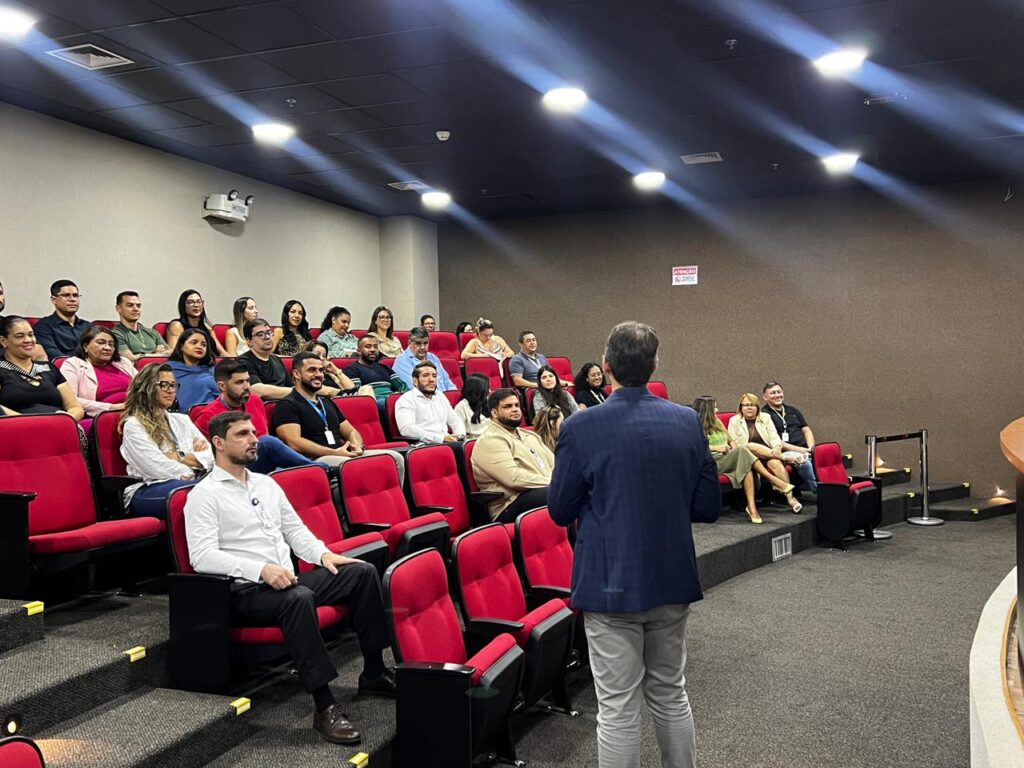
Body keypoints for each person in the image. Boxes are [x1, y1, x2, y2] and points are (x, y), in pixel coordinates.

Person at [549, 321, 721, 768]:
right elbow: (707, 506)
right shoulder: (687, 421)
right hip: (671, 577)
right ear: (655, 366)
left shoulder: (581, 426)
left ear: (606, 367)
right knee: (670, 693)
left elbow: (560, 509)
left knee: (619, 711)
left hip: (609, 584)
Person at [184, 411, 395, 744]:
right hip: (244, 592)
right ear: (218, 443)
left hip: (287, 581)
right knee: (299, 599)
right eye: (242, 434)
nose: (254, 439)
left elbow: (295, 531)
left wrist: (323, 555)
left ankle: (373, 671)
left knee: (361, 572)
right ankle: (324, 705)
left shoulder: (266, 483)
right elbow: (202, 557)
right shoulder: (203, 495)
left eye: (254, 432)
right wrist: (260, 570)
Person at [271, 352, 405, 483]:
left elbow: (350, 431)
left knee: (395, 458)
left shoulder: (327, 402)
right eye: (312, 370)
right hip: (316, 460)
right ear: (296, 374)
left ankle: (391, 503)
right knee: (355, 466)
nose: (318, 375)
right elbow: (294, 443)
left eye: (321, 370)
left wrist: (357, 446)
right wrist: (334, 452)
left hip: (343, 454)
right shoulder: (287, 405)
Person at [193, 359, 325, 474]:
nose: (247, 387)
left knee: (290, 473)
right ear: (222, 386)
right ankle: (321, 469)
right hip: (238, 467)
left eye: (248, 381)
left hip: (263, 461)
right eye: (239, 382)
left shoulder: (255, 401)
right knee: (267, 442)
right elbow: (208, 457)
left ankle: (317, 471)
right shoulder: (207, 416)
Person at [119, 363, 212, 518]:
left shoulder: (182, 420)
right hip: (148, 487)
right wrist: (196, 467)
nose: (170, 390)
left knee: (228, 483)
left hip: (189, 482)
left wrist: (180, 456)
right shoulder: (133, 425)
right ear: (146, 387)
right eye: (163, 385)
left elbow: (212, 456)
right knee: (204, 491)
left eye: (173, 385)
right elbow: (156, 467)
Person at [692, 395, 795, 525]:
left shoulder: (716, 421)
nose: (717, 409)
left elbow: (731, 440)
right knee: (744, 453)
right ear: (706, 409)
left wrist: (733, 449)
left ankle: (752, 507)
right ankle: (774, 480)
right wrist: (717, 447)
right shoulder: (694, 425)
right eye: (715, 407)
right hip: (711, 461)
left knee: (745, 462)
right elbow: (694, 446)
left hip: (727, 457)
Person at [471, 388, 553, 524]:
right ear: (494, 413)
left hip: (540, 491)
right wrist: (554, 483)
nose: (515, 409)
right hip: (509, 505)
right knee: (556, 493)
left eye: (516, 405)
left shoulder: (530, 435)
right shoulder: (490, 440)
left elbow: (556, 465)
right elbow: (514, 479)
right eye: (508, 406)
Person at [728, 393, 803, 513]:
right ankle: (786, 457)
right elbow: (736, 445)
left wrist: (777, 447)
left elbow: (774, 437)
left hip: (768, 453)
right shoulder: (734, 421)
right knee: (750, 445)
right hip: (748, 456)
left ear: (757, 407)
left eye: (752, 405)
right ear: (740, 407)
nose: (749, 407)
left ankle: (790, 498)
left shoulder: (765, 417)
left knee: (776, 464)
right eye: (746, 405)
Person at [0, 315, 85, 420]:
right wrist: (34, 423)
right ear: (4, 341)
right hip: (19, 427)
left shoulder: (49, 368)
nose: (28, 340)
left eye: (31, 335)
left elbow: (75, 407)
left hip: (59, 425)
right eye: (20, 336)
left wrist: (67, 418)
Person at [60, 325, 136, 419]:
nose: (107, 348)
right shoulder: (72, 364)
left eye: (111, 344)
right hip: (101, 417)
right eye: (101, 343)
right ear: (85, 346)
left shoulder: (123, 362)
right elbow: (71, 400)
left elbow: (145, 385)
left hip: (136, 410)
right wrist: (112, 407)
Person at [762, 381, 818, 495]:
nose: (777, 395)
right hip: (785, 451)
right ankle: (819, 491)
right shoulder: (764, 415)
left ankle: (836, 489)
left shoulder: (793, 410)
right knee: (804, 462)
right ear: (765, 397)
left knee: (825, 457)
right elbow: (775, 440)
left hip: (805, 449)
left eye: (779, 392)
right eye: (773, 393)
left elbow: (806, 430)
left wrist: (812, 448)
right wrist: (803, 451)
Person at [394, 361, 466, 445]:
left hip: (447, 442)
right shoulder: (406, 400)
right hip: (425, 444)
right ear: (415, 381)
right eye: (425, 375)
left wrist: (459, 435)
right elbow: (406, 429)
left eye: (434, 376)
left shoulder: (440, 396)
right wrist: (439, 438)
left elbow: (455, 421)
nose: (431, 379)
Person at [238, 319, 299, 401]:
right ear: (249, 341)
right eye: (260, 335)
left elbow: (291, 386)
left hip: (287, 403)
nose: (267, 337)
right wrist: (298, 392)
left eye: (268, 333)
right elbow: (258, 390)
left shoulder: (277, 359)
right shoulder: (243, 361)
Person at [33, 279, 91, 360]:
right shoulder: (44, 326)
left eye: (75, 295)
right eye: (66, 295)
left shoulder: (88, 326)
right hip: (62, 369)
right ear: (54, 300)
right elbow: (53, 354)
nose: (72, 299)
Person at [343, 336, 408, 404]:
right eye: (368, 347)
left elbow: (402, 386)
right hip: (374, 403)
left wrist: (400, 395)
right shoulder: (351, 370)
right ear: (359, 351)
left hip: (392, 400)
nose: (373, 350)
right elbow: (358, 394)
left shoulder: (385, 367)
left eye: (375, 347)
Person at [167, 328, 219, 412]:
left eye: (204, 345)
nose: (199, 347)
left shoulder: (214, 370)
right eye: (194, 343)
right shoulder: (168, 369)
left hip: (211, 416)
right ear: (182, 346)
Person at [392, 326, 456, 391]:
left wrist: (452, 396)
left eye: (425, 343)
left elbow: (448, 383)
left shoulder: (433, 358)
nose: (422, 347)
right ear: (409, 343)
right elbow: (415, 388)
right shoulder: (402, 360)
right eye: (418, 343)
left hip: (443, 398)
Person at [111, 291, 170, 361]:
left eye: (138, 306)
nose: (136, 309)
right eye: (130, 305)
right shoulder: (116, 334)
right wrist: (156, 355)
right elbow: (130, 359)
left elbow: (171, 352)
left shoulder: (152, 332)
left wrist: (144, 356)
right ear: (118, 309)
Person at [165, 289, 227, 356]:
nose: (196, 305)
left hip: (212, 363)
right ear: (183, 305)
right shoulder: (177, 326)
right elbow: (174, 354)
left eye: (199, 302)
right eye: (191, 302)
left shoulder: (207, 327)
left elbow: (222, 353)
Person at [453, 373, 490, 439]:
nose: (489, 391)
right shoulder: (461, 407)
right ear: (478, 390)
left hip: (492, 438)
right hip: (473, 442)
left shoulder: (489, 402)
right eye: (487, 388)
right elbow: (459, 434)